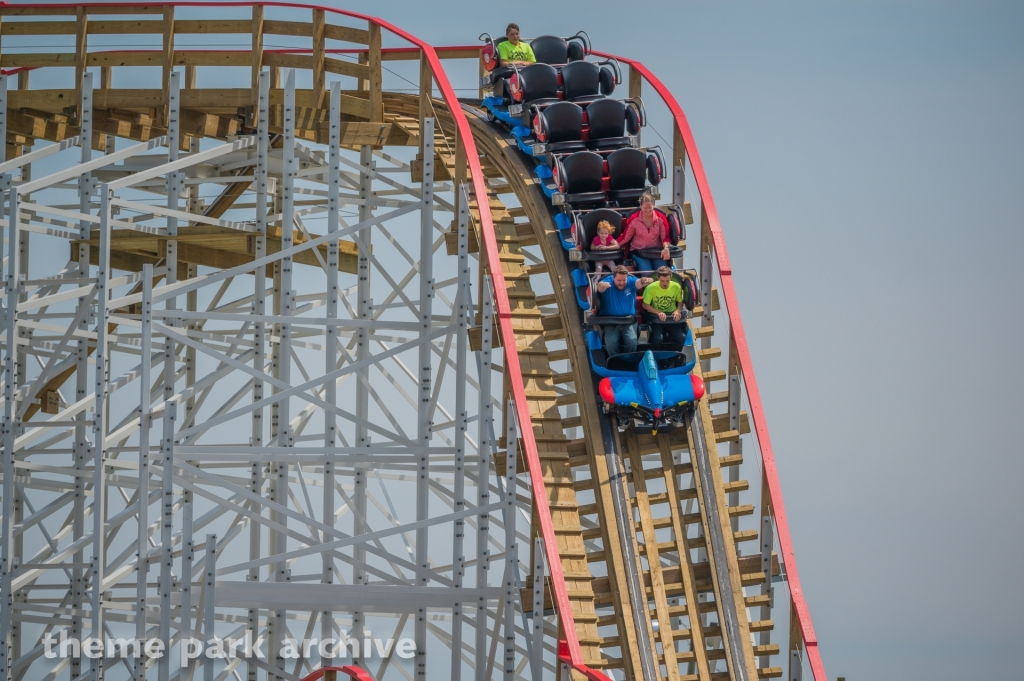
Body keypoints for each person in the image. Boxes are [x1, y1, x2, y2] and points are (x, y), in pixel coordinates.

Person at [595, 265, 652, 355]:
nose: (622, 283)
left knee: (632, 342)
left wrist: (644, 280)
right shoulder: (607, 281)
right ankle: (615, 361)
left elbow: (639, 282)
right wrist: (602, 286)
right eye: (619, 280)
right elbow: (600, 288)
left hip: (628, 321)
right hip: (611, 322)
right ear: (613, 277)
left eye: (624, 280)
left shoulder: (630, 281)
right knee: (611, 344)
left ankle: (628, 359)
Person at [618, 191, 672, 273]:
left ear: (653, 206)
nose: (647, 210)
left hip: (656, 251)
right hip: (639, 251)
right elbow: (625, 237)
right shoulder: (634, 219)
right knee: (647, 274)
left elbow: (665, 237)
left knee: (662, 273)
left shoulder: (660, 218)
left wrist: (666, 248)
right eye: (645, 208)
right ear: (640, 206)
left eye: (650, 207)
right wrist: (611, 245)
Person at [641, 266, 689, 351]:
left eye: (667, 281)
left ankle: (673, 356)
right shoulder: (651, 288)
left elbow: (680, 301)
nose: (665, 283)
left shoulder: (676, 286)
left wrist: (678, 310)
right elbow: (645, 305)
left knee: (681, 337)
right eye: (662, 281)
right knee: (658, 339)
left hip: (671, 317)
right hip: (657, 318)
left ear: (670, 277)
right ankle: (656, 355)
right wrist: (658, 312)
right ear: (658, 278)